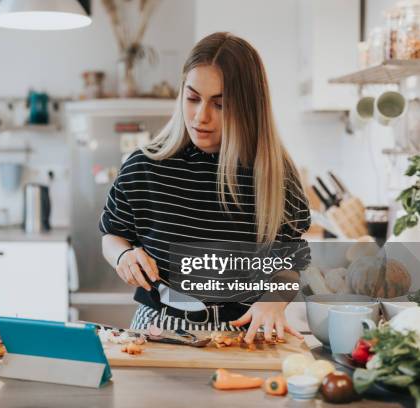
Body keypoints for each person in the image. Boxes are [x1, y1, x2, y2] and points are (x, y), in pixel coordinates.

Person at [99, 32, 311, 344]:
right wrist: (123, 256)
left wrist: (275, 299)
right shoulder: (144, 166)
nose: (201, 117)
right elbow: (112, 235)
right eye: (193, 98)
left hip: (243, 332)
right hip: (159, 327)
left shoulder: (275, 175)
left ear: (249, 107)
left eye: (220, 104)